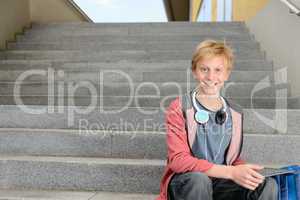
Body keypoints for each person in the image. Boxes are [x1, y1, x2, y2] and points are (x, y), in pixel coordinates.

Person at [156, 40, 278, 200]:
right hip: (189, 181)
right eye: (204, 69)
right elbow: (178, 160)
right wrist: (231, 172)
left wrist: (243, 170)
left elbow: (229, 157)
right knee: (199, 180)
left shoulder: (235, 112)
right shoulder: (180, 107)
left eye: (218, 70)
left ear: (227, 74)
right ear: (194, 71)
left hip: (221, 181)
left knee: (266, 184)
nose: (211, 76)